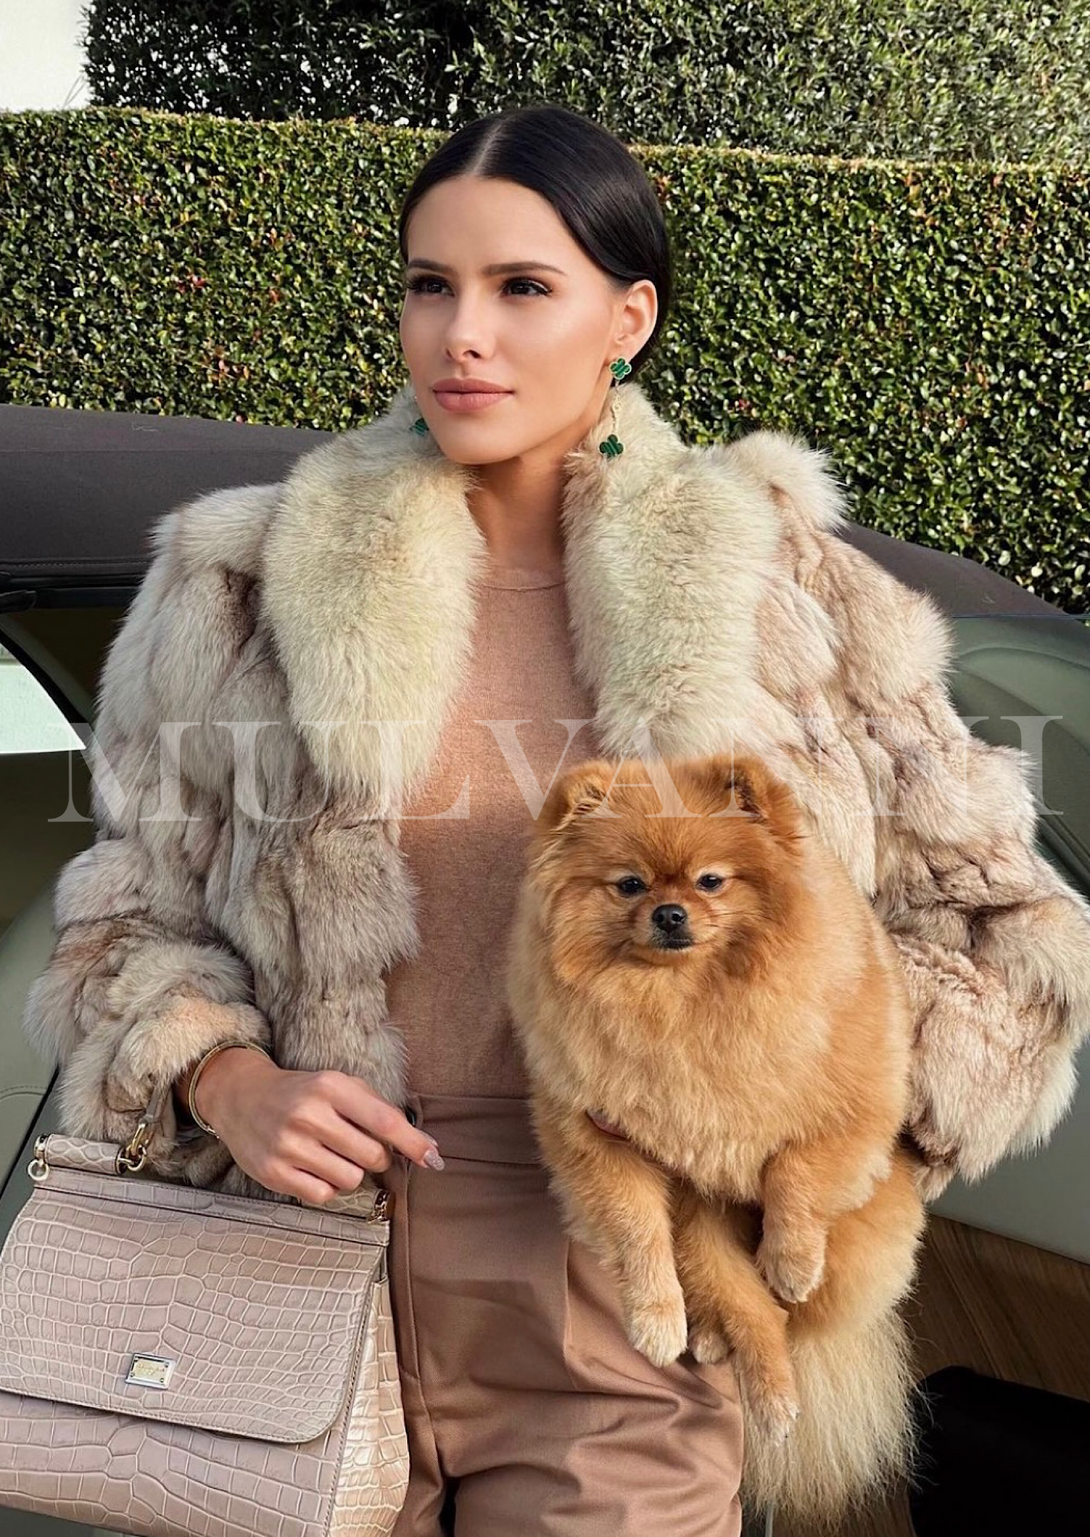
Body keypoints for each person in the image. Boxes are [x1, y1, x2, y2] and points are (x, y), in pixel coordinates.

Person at [22, 100, 1090, 1537]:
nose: (464, 334)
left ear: (626, 317)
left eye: (523, 287)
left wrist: (820, 1162)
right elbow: (126, 916)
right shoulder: (238, 584)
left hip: (623, 1282)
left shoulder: (781, 592)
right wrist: (225, 1081)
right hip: (291, 1267)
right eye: (430, 284)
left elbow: (1004, 930)